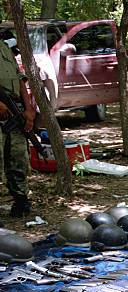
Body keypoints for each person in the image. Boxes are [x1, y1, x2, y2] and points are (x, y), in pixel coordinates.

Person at [0, 30, 36, 221]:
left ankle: (21, 200)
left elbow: (20, 79)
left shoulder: (4, 47)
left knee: (18, 158)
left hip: (14, 110)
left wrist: (29, 109)